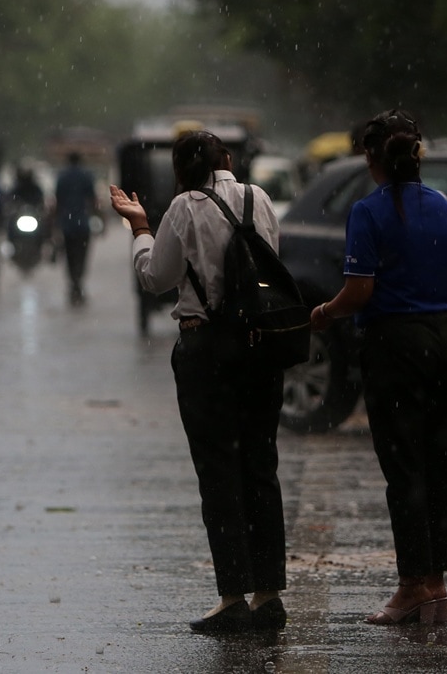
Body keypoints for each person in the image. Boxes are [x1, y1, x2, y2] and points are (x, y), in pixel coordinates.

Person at [108, 130, 287, 634]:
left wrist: (142, 229)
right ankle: (269, 593)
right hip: (261, 346)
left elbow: (155, 278)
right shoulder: (261, 198)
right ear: (227, 159)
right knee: (260, 465)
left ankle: (232, 596)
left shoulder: (183, 208)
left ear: (180, 170)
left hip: (207, 349)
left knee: (219, 472)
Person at [309, 109, 447, 626]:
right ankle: (437, 584)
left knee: (404, 470)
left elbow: (360, 291)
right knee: (438, 466)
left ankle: (410, 588)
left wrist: (325, 313)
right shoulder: (446, 207)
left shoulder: (368, 212)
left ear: (371, 159)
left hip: (394, 348)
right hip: (445, 342)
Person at [55, 151, 99, 306]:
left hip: (67, 226)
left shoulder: (62, 177)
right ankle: (78, 283)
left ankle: (74, 283)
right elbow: (93, 200)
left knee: (70, 257)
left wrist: (55, 223)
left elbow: (57, 201)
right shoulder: (86, 176)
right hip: (82, 225)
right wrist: (99, 219)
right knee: (81, 256)